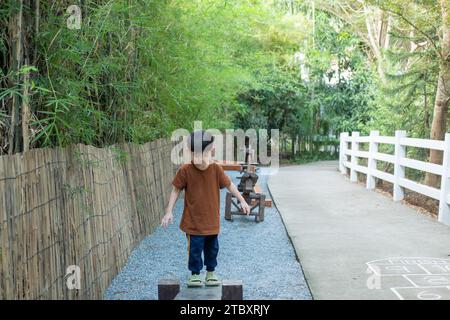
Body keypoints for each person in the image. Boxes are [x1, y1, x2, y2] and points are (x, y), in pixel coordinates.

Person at [161, 130, 251, 287]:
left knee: (212, 249)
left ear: (212, 151)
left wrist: (242, 200)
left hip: (211, 222)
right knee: (195, 250)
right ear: (189, 152)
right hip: (193, 222)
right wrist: (168, 212)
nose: (199, 160)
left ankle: (210, 272)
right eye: (195, 156)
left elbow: (229, 185)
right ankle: (195, 274)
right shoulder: (185, 170)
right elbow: (176, 189)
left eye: (203, 155)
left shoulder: (216, 170)